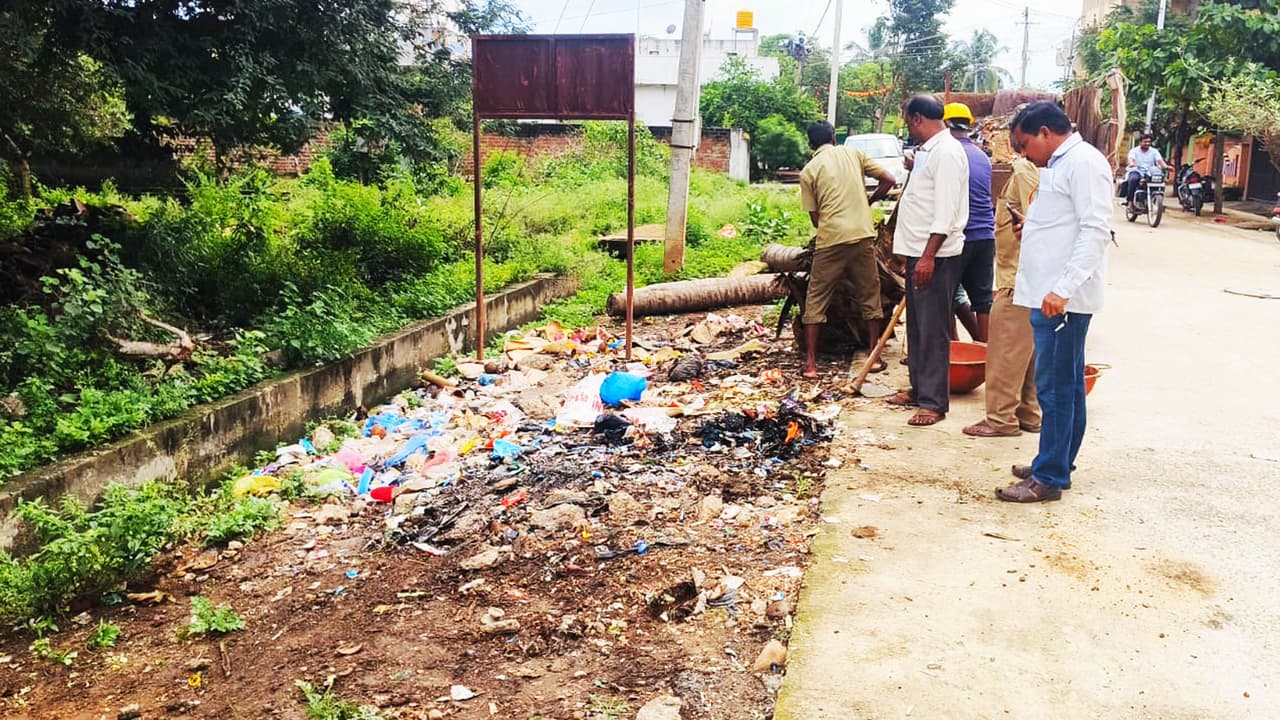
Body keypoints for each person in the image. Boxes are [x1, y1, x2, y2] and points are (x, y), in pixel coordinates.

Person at [997, 101, 1111, 502]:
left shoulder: (1083, 163)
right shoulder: (1060, 164)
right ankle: (1056, 462)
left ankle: (1048, 477)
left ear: (1045, 132)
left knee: (1056, 389)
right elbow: (1066, 223)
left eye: (1025, 144)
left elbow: (1095, 229)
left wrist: (1063, 288)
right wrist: (1032, 226)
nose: (1024, 154)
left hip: (1061, 299)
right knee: (1067, 385)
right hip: (1051, 293)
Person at [886, 95, 969, 427]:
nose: (908, 128)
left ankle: (934, 403)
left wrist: (928, 256)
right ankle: (920, 389)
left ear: (918, 119)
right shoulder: (928, 152)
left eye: (908, 121)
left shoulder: (947, 153)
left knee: (933, 329)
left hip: (934, 255)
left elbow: (946, 212)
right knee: (919, 326)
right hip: (918, 252)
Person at [798, 120, 897, 379]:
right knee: (869, 294)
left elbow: (815, 220)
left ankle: (811, 364)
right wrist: (868, 201)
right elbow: (889, 179)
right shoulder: (853, 154)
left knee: (816, 300)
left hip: (831, 239)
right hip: (862, 235)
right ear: (834, 138)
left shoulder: (808, 171)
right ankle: (874, 357)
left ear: (811, 144)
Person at [964, 110, 1042, 438]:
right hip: (1029, 276)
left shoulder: (1024, 172)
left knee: (1006, 351)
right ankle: (1028, 414)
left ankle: (1000, 419)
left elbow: (1033, 220)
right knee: (1026, 352)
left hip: (1017, 279)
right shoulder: (1036, 171)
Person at [942, 102, 995, 342]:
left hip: (959, 236)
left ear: (945, 124)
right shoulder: (981, 156)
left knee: (945, 296)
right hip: (985, 235)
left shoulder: (949, 155)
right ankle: (985, 350)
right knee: (982, 300)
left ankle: (953, 349)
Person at [1123, 133, 1169, 211]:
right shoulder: (1134, 151)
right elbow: (1131, 159)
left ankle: (1158, 201)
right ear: (1140, 142)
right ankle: (1130, 202)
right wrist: (1131, 163)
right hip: (1137, 170)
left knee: (1160, 181)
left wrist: (1166, 167)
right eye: (1145, 142)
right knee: (1133, 179)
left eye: (1149, 142)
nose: (1147, 143)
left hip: (1150, 172)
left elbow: (1160, 161)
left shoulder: (1154, 151)